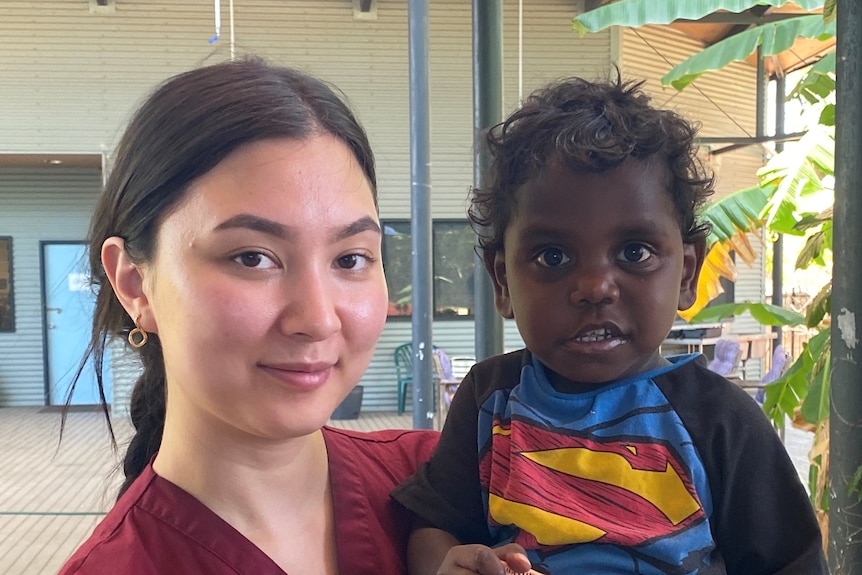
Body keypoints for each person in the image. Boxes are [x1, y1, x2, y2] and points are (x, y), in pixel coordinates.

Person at [392, 74, 827, 575]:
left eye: (634, 252)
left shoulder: (721, 422)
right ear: (502, 281)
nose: (595, 286)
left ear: (686, 274)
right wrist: (449, 563)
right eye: (553, 256)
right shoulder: (490, 401)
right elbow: (432, 528)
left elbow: (792, 563)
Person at [58, 57, 438, 575]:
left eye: (350, 259)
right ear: (134, 283)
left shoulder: (446, 487)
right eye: (252, 257)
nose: (318, 319)